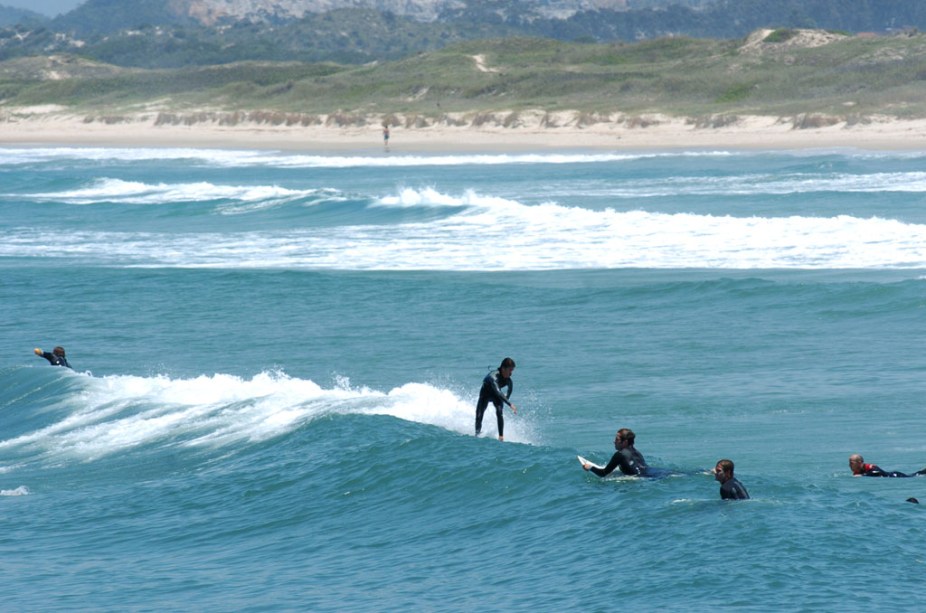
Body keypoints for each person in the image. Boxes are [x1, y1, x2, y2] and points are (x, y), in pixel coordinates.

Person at [475, 357, 517, 441]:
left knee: (499, 412)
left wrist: (506, 400)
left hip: (496, 396)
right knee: (479, 415)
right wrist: (510, 404)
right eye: (510, 370)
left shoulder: (508, 381)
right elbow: (498, 392)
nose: (511, 373)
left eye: (512, 370)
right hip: (485, 395)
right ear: (503, 368)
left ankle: (501, 437)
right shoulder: (493, 377)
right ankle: (476, 434)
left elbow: (509, 391)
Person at [582, 428, 648, 477]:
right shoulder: (638, 453)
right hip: (649, 474)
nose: (614, 441)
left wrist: (590, 468)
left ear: (625, 442)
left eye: (617, 439)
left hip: (642, 477)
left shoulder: (620, 454)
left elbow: (603, 473)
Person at [848, 453, 926, 478]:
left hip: (895, 476)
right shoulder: (858, 472)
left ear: (859, 462)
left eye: (851, 463)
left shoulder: (870, 467)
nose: (849, 465)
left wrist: (863, 476)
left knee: (913, 476)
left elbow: (877, 473)